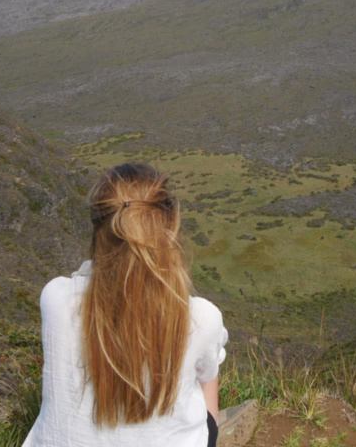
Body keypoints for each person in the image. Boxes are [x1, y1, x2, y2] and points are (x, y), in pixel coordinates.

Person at [23, 163, 228, 447]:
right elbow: (207, 373)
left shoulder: (56, 298)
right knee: (207, 375)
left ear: (98, 228)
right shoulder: (199, 318)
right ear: (168, 230)